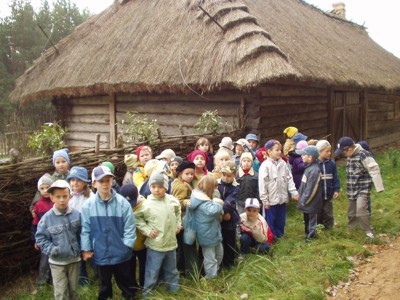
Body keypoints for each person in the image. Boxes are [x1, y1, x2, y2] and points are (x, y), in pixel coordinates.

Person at [81, 166, 137, 300]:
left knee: (125, 279)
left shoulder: (122, 203)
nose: (105, 184)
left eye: (108, 180)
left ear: (112, 181)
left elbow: (130, 226)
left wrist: (127, 245)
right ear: (94, 184)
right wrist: (87, 248)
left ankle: (129, 295)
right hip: (101, 251)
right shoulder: (88, 206)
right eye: (101, 181)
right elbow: (85, 229)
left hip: (121, 251)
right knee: (104, 282)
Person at [134, 172, 181, 296]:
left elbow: (178, 210)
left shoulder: (172, 200)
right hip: (155, 245)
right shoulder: (146, 204)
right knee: (152, 271)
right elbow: (137, 218)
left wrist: (178, 224)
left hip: (171, 243)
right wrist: (147, 230)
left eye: (160, 187)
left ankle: (174, 289)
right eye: (153, 187)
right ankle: (148, 293)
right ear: (149, 187)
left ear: (166, 187)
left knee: (171, 269)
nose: (157, 190)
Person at [35, 180, 81, 300]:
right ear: (52, 198)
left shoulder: (76, 214)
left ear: (70, 196)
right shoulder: (47, 218)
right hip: (57, 262)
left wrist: (82, 248)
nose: (62, 200)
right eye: (58, 197)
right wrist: (52, 250)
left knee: (74, 290)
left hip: (74, 260)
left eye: (64, 196)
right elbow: (40, 237)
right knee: (61, 292)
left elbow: (82, 233)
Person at [335, 137, 384, 238]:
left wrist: (379, 187)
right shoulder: (350, 156)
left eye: (343, 152)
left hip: (363, 187)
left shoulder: (364, 154)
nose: (343, 154)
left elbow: (374, 169)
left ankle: (368, 231)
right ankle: (353, 229)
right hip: (352, 188)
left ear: (350, 149)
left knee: (361, 208)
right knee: (351, 211)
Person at [259, 140, 299, 238]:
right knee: (271, 219)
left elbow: (289, 178)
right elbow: (262, 184)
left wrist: (293, 191)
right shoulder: (265, 166)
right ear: (269, 151)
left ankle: (280, 235)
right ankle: (271, 237)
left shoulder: (283, 164)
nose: (279, 152)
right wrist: (265, 200)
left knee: (281, 219)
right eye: (276, 150)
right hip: (271, 200)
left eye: (280, 150)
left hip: (282, 198)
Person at [189, 174, 224, 279]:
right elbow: (213, 211)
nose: (216, 189)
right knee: (210, 258)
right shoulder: (201, 200)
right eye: (215, 187)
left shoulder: (205, 198)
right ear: (209, 187)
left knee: (219, 254)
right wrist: (218, 202)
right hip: (206, 233)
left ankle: (214, 272)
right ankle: (211, 278)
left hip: (213, 231)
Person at [66, 166, 93, 286]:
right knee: (77, 255)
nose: (75, 183)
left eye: (78, 180)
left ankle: (100, 274)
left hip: (87, 229)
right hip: (73, 230)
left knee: (91, 253)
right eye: (72, 180)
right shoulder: (67, 196)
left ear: (84, 182)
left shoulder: (90, 196)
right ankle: (83, 280)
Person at [171, 161, 197, 277]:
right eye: (187, 173)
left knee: (183, 246)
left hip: (185, 219)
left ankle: (182, 269)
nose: (190, 176)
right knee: (186, 245)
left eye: (192, 174)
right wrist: (188, 202)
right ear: (180, 174)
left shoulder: (186, 183)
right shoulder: (180, 185)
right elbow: (177, 202)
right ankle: (190, 271)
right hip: (183, 220)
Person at [120, 184, 147, 289]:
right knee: (130, 265)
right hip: (129, 244)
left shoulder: (145, 205)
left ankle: (144, 284)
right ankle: (132, 285)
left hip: (143, 243)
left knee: (144, 264)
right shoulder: (120, 206)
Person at [30, 149, 71, 215]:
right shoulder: (51, 179)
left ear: (68, 162)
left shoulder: (72, 177)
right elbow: (41, 191)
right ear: (54, 164)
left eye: (63, 161)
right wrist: (33, 208)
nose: (61, 164)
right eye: (58, 162)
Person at [295, 146, 323, 241]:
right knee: (306, 218)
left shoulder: (314, 171)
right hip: (306, 201)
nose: (301, 157)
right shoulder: (308, 168)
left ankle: (311, 236)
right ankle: (307, 233)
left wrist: (304, 201)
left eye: (303, 155)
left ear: (310, 157)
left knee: (312, 219)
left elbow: (312, 189)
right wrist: (299, 194)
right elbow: (303, 185)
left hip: (311, 202)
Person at [32, 173, 54, 286]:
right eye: (42, 188)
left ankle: (54, 281)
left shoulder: (57, 201)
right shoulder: (38, 205)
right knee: (45, 261)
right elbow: (35, 224)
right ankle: (42, 282)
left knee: (57, 260)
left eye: (48, 187)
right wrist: (36, 239)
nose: (45, 190)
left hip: (57, 237)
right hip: (45, 238)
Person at [218, 161, 240, 269]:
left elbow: (230, 202)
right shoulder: (217, 184)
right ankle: (221, 261)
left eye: (229, 176)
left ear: (234, 175)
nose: (226, 178)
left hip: (229, 217)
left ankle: (230, 261)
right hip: (218, 218)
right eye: (224, 175)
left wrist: (222, 211)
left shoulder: (235, 187)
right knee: (221, 239)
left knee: (230, 239)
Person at [316, 140, 340, 229]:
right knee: (318, 213)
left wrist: (336, 189)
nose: (329, 153)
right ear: (319, 151)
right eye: (327, 151)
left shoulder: (331, 163)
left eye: (330, 151)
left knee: (328, 213)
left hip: (328, 194)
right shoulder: (314, 164)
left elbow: (335, 177)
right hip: (317, 196)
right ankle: (317, 229)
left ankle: (329, 229)